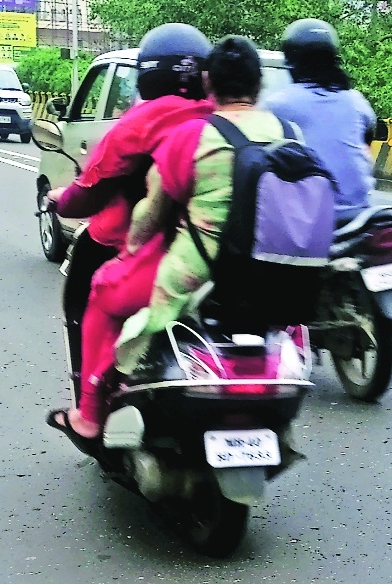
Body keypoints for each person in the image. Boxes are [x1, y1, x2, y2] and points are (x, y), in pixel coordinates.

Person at [46, 23, 215, 445]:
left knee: (101, 294)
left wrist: (60, 200)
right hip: (233, 253)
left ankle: (89, 412)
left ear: (148, 74)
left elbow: (91, 190)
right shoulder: (225, 117)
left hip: (165, 248)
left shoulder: (144, 120)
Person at [113, 35, 287, 369]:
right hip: (279, 272)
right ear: (260, 83)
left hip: (202, 270)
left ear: (207, 83)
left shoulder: (192, 134)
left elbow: (152, 211)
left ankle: (113, 386)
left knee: (130, 325)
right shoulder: (290, 132)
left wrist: (131, 246)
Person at [262, 18, 377, 225]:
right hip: (360, 215)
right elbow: (368, 136)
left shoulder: (278, 105)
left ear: (292, 63)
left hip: (309, 222)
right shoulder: (356, 101)